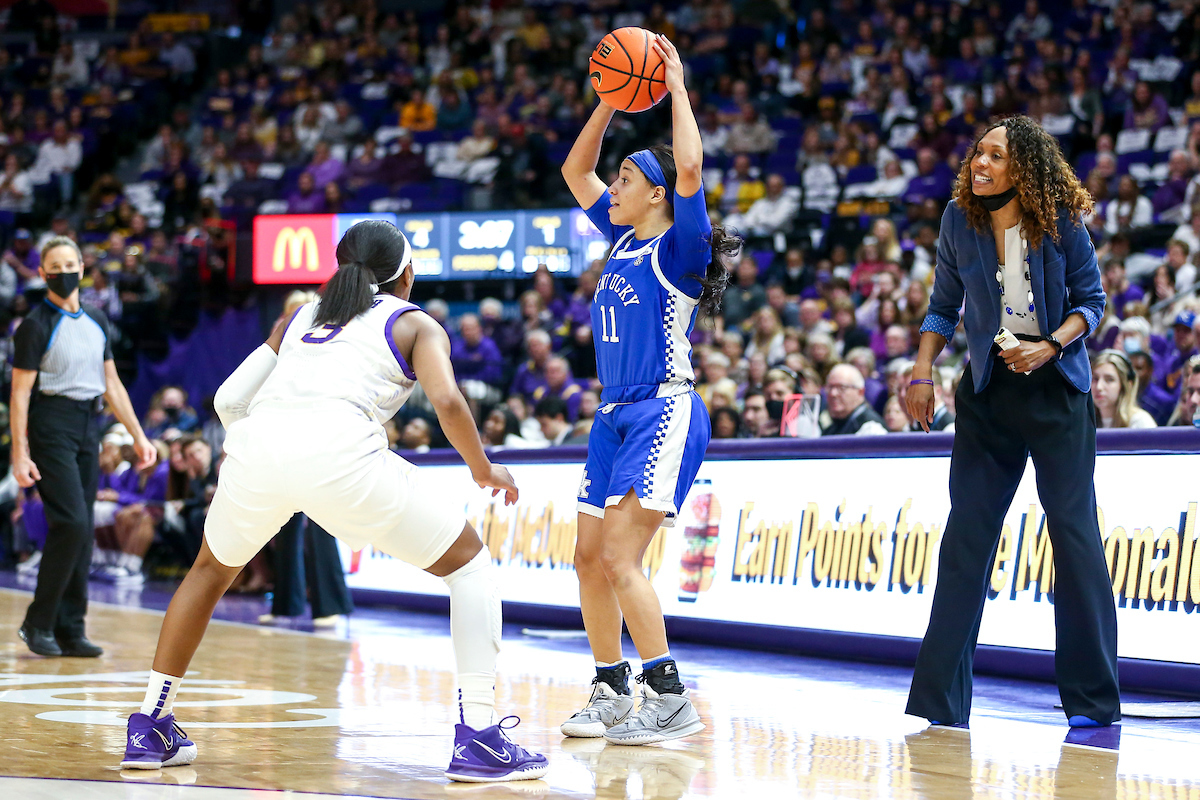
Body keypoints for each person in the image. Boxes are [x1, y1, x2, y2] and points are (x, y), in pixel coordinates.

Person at [120, 220, 547, 782]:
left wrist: (262, 452)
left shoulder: (299, 316)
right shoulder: (415, 323)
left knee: (207, 573)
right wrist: (483, 468)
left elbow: (227, 399)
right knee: (469, 569)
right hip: (344, 460)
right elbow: (446, 400)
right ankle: (479, 738)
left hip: (258, 453)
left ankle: (149, 725)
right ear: (408, 273)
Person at [906, 116, 1119, 729]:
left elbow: (1092, 303)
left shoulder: (1061, 221)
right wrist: (922, 370)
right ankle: (941, 704)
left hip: (1056, 392)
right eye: (979, 152)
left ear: (1024, 167)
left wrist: (1049, 345)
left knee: (1074, 536)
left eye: (996, 155)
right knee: (965, 539)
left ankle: (1093, 701)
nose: (981, 162)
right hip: (988, 393)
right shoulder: (958, 219)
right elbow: (944, 306)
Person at [559, 34, 738, 745]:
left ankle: (669, 697)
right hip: (613, 416)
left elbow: (690, 165)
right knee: (586, 557)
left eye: (627, 179)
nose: (613, 187)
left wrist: (677, 87)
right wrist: (609, 100)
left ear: (658, 194)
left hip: (664, 408)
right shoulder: (620, 239)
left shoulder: (678, 246)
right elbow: (575, 169)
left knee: (618, 558)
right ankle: (610, 688)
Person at [13, 236, 156, 657]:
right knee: (72, 523)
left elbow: (112, 383)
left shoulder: (96, 319)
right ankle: (38, 622)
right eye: (54, 267)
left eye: (69, 264)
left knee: (83, 526)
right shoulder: (35, 325)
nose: (63, 272)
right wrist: (19, 452)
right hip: (50, 424)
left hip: (87, 424)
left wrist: (139, 436)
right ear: (42, 273)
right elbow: (19, 394)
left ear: (82, 267)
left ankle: (71, 629)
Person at [1091, 350, 1157, 429]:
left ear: (1125, 385)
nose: (1099, 387)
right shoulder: (1084, 422)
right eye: (1095, 379)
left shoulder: (1140, 422)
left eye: (1109, 379)